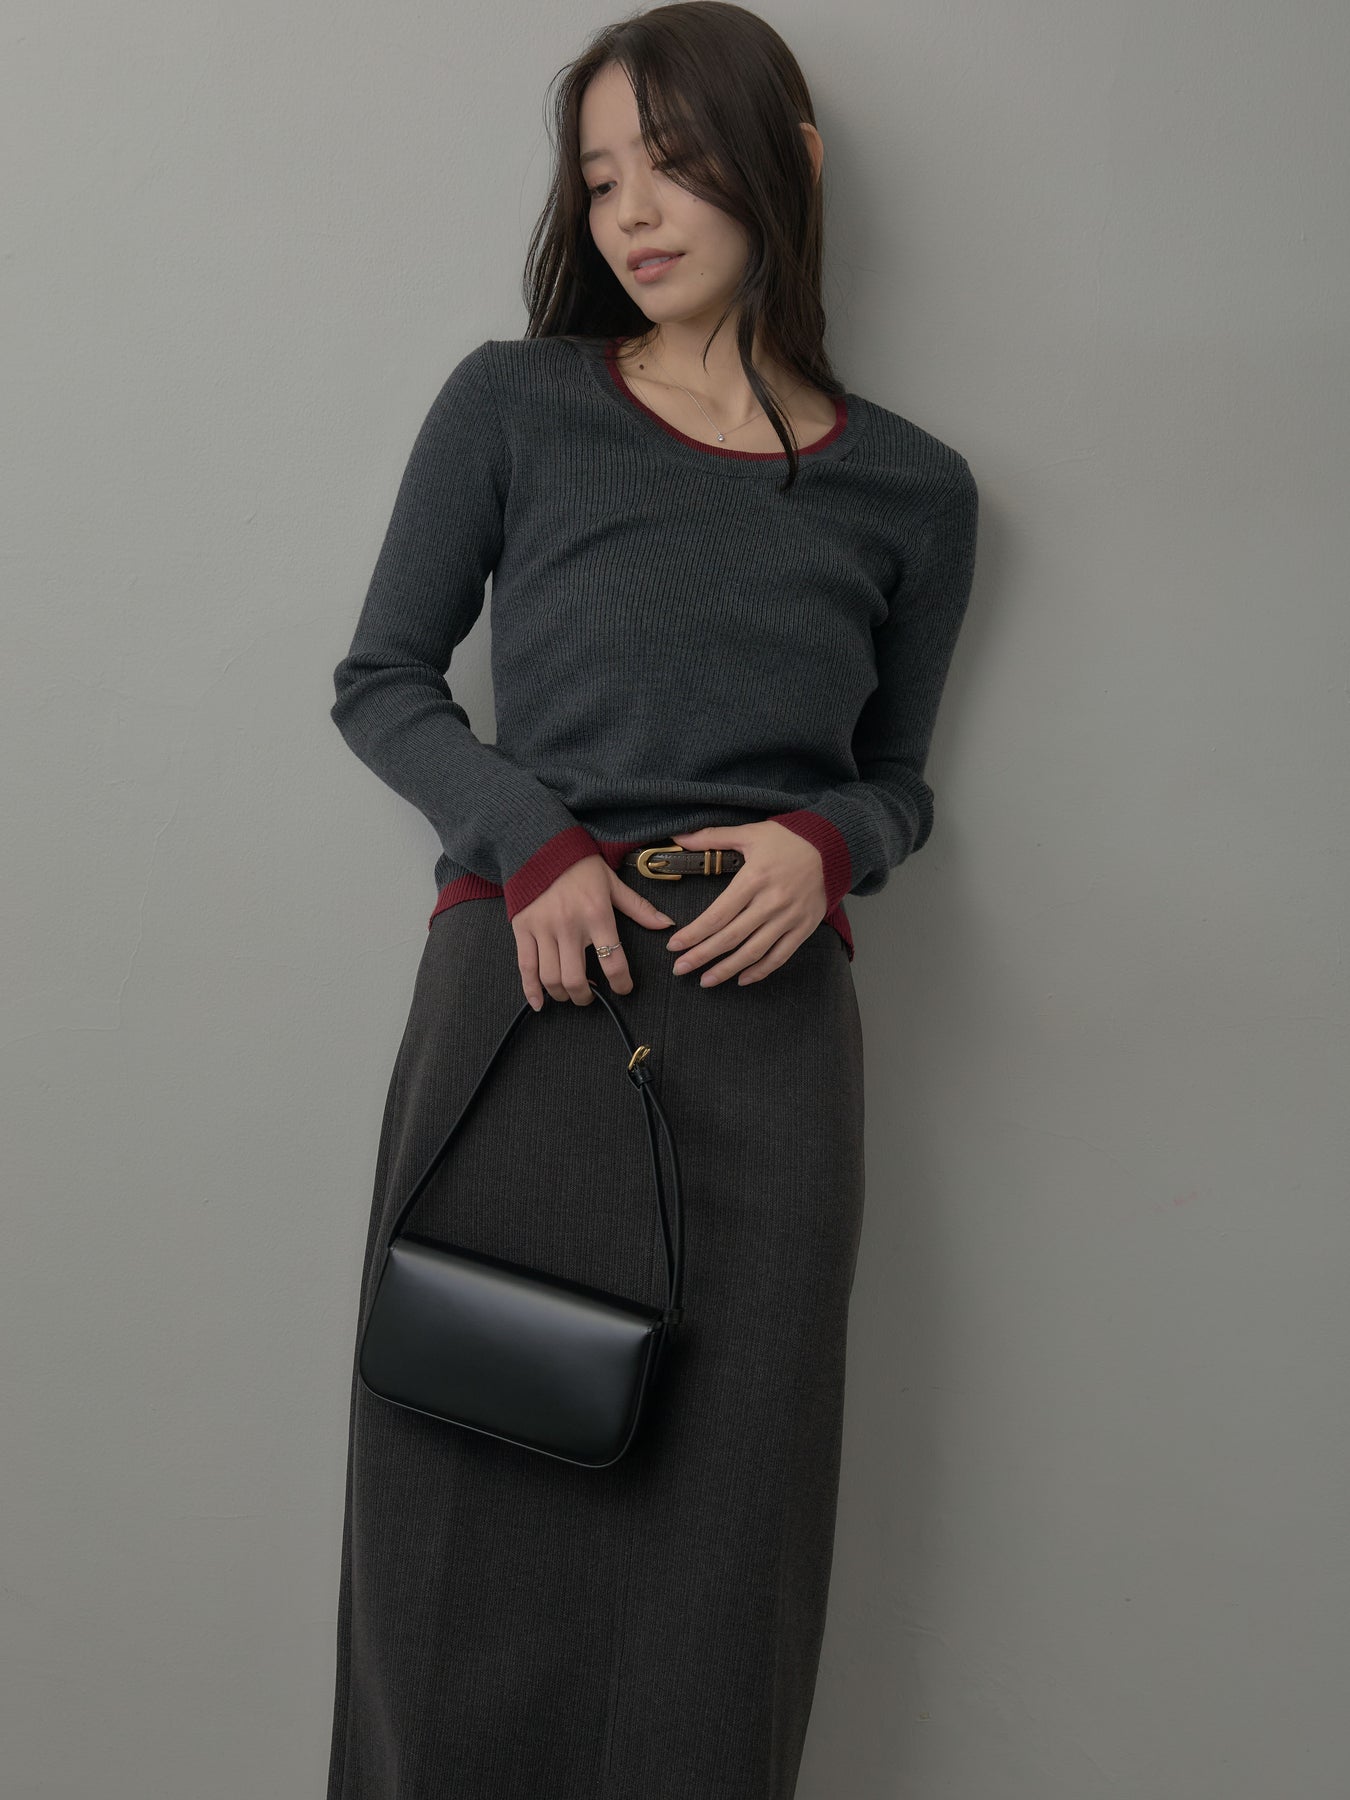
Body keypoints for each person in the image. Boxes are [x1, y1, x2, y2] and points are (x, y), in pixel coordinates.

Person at [324, 5, 979, 1796]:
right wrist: (528, 846)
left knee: (725, 1538)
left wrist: (826, 844)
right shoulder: (515, 401)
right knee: (460, 1493)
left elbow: (900, 779)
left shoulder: (912, 488)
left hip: (769, 1035)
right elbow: (383, 683)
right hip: (528, 996)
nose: (630, 210)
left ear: (789, 165)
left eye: (671, 162)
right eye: (600, 173)